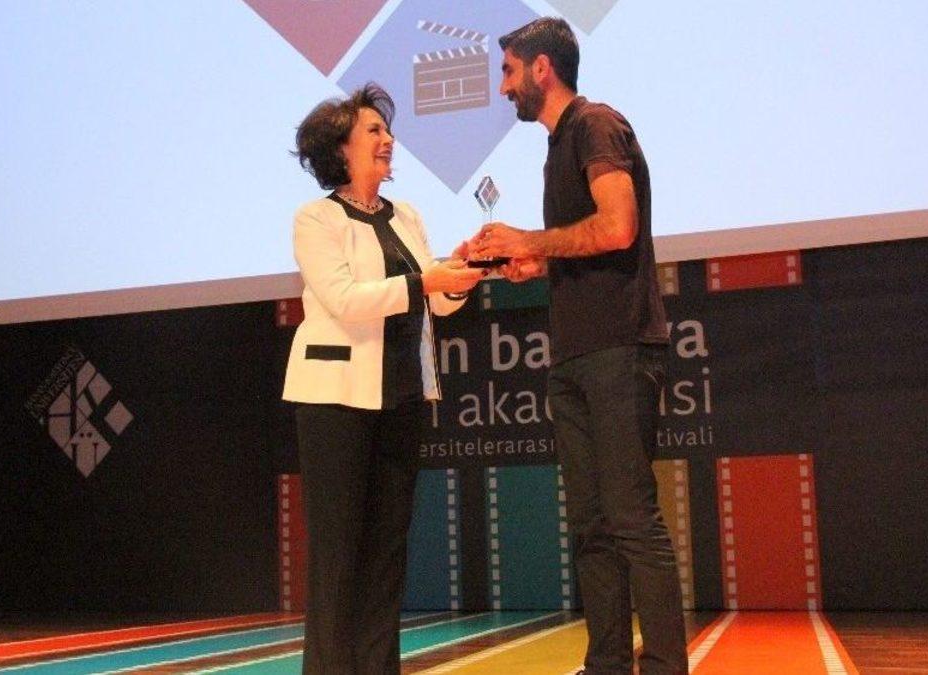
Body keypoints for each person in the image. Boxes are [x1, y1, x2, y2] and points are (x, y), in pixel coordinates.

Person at [468, 18, 688, 674]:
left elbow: (618, 228)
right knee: (592, 527)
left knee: (630, 517)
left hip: (619, 348)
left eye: (509, 71)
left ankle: (667, 666)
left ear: (542, 69)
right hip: (575, 355)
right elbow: (586, 244)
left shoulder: (595, 125)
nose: (503, 87)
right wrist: (533, 262)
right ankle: (607, 664)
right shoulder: (557, 145)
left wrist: (531, 240)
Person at [284, 83, 485, 674]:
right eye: (374, 130)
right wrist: (425, 282)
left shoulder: (408, 216)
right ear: (340, 149)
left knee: (386, 556)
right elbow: (346, 300)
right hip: (336, 402)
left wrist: (459, 273)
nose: (388, 140)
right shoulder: (316, 219)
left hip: (401, 399)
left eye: (388, 130)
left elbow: (435, 303)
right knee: (337, 556)